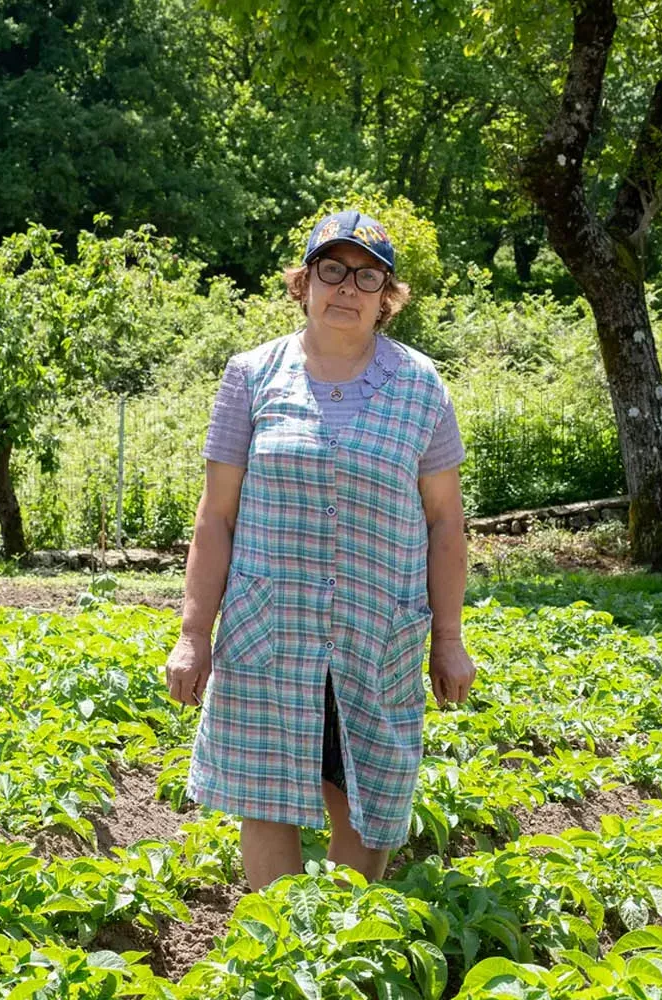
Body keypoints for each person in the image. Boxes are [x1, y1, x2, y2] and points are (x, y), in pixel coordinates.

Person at [164, 209, 476, 889]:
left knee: (368, 793)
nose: (347, 288)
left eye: (368, 277)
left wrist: (448, 638)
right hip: (269, 627)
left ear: (387, 298)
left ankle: (340, 946)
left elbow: (445, 522)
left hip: (378, 630)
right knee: (263, 794)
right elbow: (215, 516)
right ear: (303, 283)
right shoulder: (251, 376)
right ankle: (278, 956)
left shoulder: (421, 385)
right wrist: (194, 633)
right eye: (331, 270)